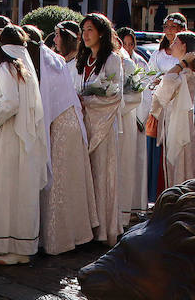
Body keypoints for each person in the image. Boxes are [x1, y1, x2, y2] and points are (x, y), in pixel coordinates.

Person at [0, 25, 47, 265]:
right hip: (23, 137)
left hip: (10, 135)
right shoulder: (23, 68)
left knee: (8, 189)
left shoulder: (6, 68)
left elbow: (10, 102)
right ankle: (12, 243)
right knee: (19, 190)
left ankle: (15, 246)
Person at [37, 26, 97, 255]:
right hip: (67, 123)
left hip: (61, 127)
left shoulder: (48, 63)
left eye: (59, 34)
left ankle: (59, 237)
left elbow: (45, 102)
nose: (55, 38)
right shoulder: (55, 61)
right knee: (68, 179)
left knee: (60, 180)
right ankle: (73, 232)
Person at [78, 13, 123, 246]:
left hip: (103, 126)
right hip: (84, 125)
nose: (85, 35)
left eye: (90, 30)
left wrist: (87, 102)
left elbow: (115, 96)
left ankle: (105, 230)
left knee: (103, 174)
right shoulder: (83, 59)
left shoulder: (112, 60)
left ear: (102, 33)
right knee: (87, 175)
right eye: (83, 30)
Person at [143, 13, 186, 201]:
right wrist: (156, 81)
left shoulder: (184, 56)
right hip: (158, 105)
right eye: (166, 27)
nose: (169, 31)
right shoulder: (158, 54)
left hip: (175, 105)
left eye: (173, 27)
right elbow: (147, 74)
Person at [150, 30, 195, 189]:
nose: (171, 45)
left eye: (176, 42)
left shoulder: (186, 73)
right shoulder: (181, 71)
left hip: (181, 126)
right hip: (173, 122)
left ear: (184, 46)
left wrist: (182, 63)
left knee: (181, 163)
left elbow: (168, 83)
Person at [115, 26, 147, 223]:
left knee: (128, 163)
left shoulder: (133, 64)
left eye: (130, 43)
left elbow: (141, 93)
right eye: (123, 42)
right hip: (114, 119)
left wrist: (139, 117)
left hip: (128, 118)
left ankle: (127, 210)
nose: (126, 46)